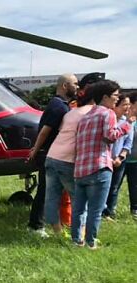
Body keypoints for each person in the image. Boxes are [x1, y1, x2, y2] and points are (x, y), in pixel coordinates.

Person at [71, 80, 132, 249]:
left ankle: (77, 241)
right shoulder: (108, 113)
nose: (117, 99)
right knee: (95, 211)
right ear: (105, 97)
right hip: (99, 167)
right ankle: (91, 242)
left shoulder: (85, 117)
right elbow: (110, 136)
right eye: (115, 96)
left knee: (79, 209)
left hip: (81, 169)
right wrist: (128, 125)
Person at [43, 79, 98, 236]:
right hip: (67, 159)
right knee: (78, 198)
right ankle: (80, 234)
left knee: (52, 197)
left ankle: (58, 232)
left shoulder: (71, 112)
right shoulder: (93, 113)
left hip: (52, 155)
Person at [27, 73, 78, 237]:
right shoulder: (59, 106)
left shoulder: (61, 104)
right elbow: (44, 131)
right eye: (75, 84)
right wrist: (35, 151)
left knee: (48, 191)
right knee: (45, 192)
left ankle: (43, 224)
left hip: (52, 154)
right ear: (65, 86)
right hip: (48, 155)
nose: (77, 87)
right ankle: (35, 226)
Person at [102, 94, 133, 220]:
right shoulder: (110, 120)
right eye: (124, 104)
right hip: (105, 159)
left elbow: (128, 143)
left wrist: (120, 157)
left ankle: (109, 211)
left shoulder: (127, 122)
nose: (127, 107)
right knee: (103, 187)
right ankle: (101, 210)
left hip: (119, 160)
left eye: (128, 104)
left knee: (114, 187)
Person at [123, 101, 137, 220]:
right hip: (121, 159)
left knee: (135, 186)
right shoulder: (123, 120)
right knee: (114, 187)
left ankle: (135, 209)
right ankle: (108, 210)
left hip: (135, 161)